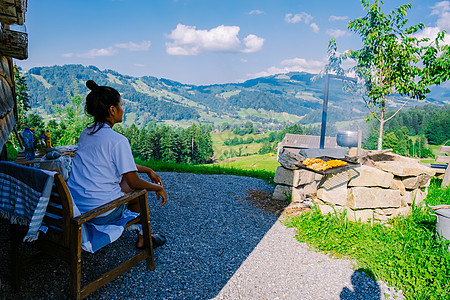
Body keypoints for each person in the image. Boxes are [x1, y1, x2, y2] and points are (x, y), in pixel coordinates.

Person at [67, 80, 167, 249]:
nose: (123, 109)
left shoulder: (86, 133)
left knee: (126, 182)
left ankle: (145, 235)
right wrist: (157, 188)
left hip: (77, 207)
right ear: (112, 110)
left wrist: (148, 169)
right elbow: (134, 182)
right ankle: (145, 237)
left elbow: (120, 165)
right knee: (138, 192)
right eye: (121, 105)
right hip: (99, 213)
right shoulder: (118, 141)